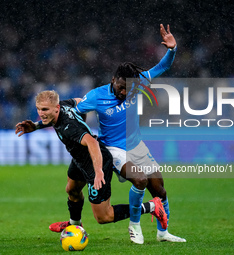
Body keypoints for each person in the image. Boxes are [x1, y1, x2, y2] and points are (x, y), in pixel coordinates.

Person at [50, 24, 186, 243]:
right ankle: (135, 226)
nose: (125, 92)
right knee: (139, 180)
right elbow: (74, 112)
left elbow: (162, 67)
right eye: (122, 88)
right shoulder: (97, 96)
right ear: (113, 80)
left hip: (137, 146)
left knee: (159, 189)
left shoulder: (137, 83)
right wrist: (79, 133)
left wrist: (172, 49)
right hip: (113, 149)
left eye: (128, 89)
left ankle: (163, 233)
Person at [15, 90, 167, 243]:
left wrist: (99, 171)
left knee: (103, 216)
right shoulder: (64, 106)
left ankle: (152, 206)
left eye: (45, 110)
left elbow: (92, 142)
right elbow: (80, 101)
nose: (41, 113)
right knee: (72, 190)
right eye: (39, 109)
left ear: (56, 108)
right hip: (80, 158)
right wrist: (35, 126)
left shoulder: (69, 126)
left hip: (95, 162)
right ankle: (74, 225)